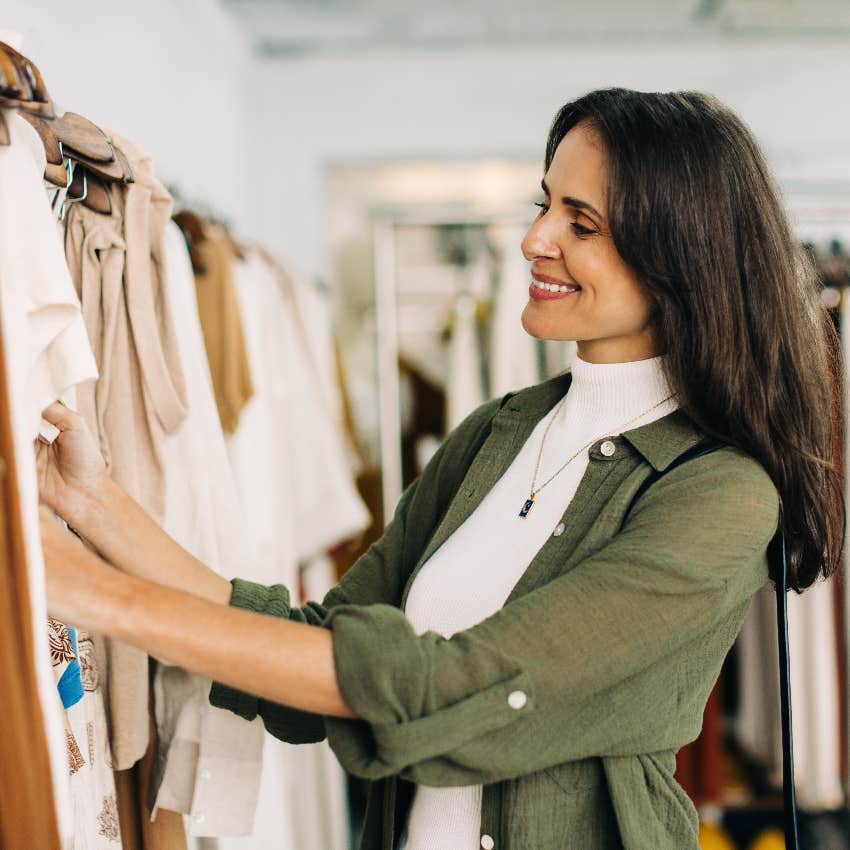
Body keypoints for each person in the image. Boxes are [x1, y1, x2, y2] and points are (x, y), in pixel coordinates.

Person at [37, 87, 842, 850]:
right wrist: (99, 505)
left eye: (582, 222)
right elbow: (324, 643)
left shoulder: (719, 493)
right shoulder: (502, 431)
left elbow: (452, 688)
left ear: (681, 257)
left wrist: (105, 599)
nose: (535, 239)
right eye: (545, 202)